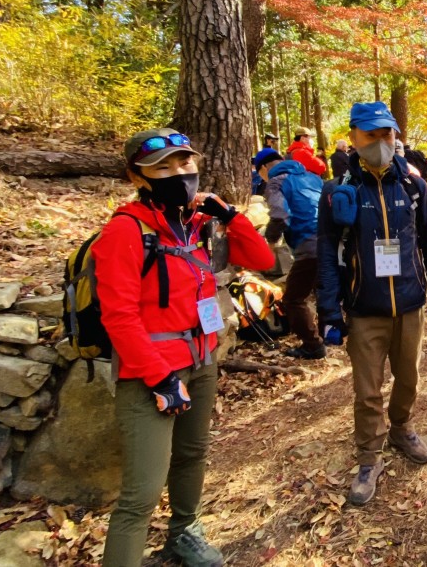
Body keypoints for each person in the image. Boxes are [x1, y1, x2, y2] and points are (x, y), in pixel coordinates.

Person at [96, 128, 273, 567]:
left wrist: (229, 214)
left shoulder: (195, 224)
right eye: (164, 167)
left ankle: (183, 532)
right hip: (151, 374)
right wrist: (160, 379)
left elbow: (263, 261)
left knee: (192, 455)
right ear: (137, 177)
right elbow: (119, 316)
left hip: (201, 360)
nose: (180, 172)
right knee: (141, 494)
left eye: (185, 162)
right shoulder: (125, 231)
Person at [316, 101, 427, 506]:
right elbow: (327, 253)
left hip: (409, 304)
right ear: (354, 137)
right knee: (367, 390)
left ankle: (402, 429)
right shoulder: (338, 191)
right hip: (364, 309)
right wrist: (329, 311)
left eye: (386, 133)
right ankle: (369, 457)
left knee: (409, 379)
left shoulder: (413, 187)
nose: (380, 142)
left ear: (396, 135)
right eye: (370, 135)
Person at [264, 158, 326, 360]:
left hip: (308, 244)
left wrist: (270, 241)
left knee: (293, 298)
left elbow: (280, 215)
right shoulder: (314, 178)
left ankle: (313, 345)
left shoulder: (276, 182)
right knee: (324, 290)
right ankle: (330, 333)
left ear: (264, 169)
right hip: (329, 242)